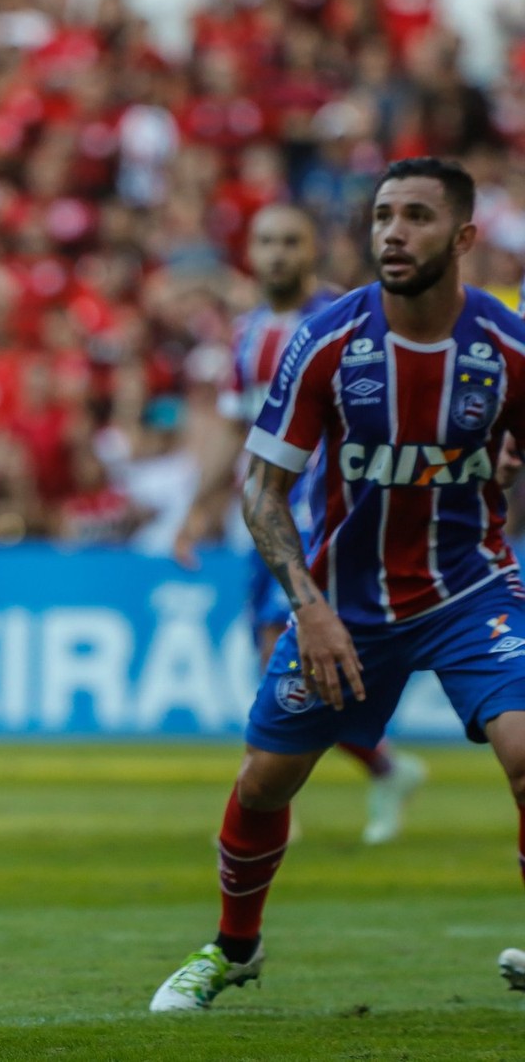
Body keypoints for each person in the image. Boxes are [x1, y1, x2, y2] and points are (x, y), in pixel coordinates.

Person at [150, 158, 525, 1012]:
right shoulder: (329, 340)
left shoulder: (506, 347)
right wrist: (309, 610)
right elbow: (261, 488)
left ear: (463, 237)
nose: (394, 232)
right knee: (262, 783)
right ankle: (234, 948)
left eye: (418, 217)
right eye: (385, 215)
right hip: (343, 605)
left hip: (470, 588)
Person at [174, 205, 426, 845]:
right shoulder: (246, 332)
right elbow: (236, 427)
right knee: (284, 666)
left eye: (291, 241)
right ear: (250, 255)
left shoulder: (349, 320)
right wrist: (196, 511)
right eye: (265, 242)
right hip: (264, 522)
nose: (278, 254)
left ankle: (270, 803)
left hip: (332, 521)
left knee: (288, 660)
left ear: (313, 250)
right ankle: (381, 767)